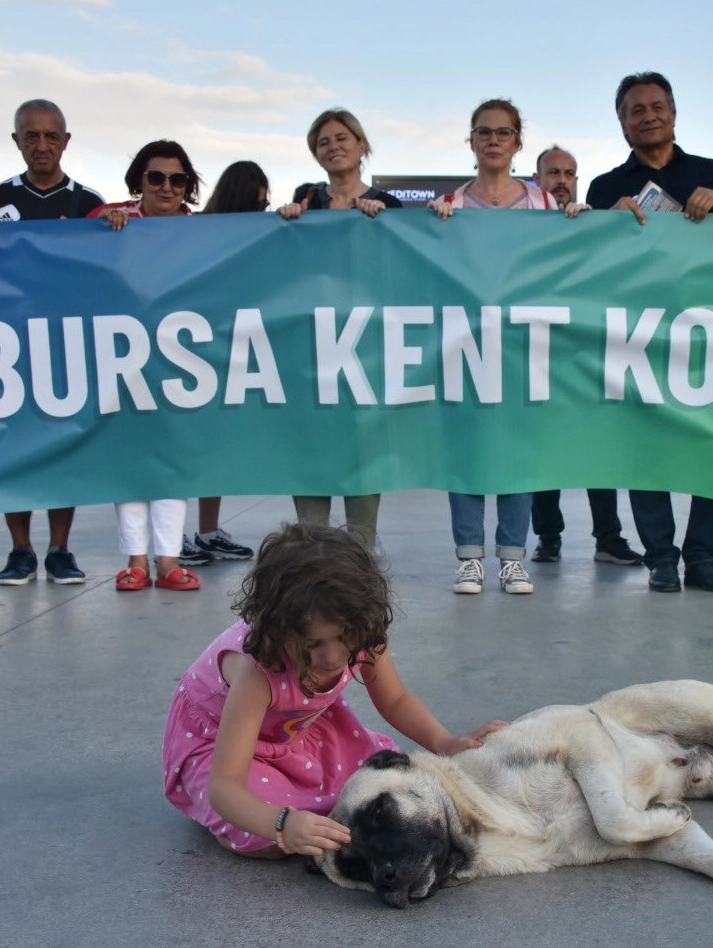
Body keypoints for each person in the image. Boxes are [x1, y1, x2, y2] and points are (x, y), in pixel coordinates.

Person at [162, 523, 506, 857]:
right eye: (313, 644)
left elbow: (396, 699)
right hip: (220, 742)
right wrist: (280, 824)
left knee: (379, 782)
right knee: (263, 833)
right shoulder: (256, 671)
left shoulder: (363, 632)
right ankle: (232, 826)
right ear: (277, 630)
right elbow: (226, 785)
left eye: (344, 638)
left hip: (293, 734)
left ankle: (291, 795)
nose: (332, 657)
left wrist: (445, 743)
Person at [585, 72, 713, 594]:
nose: (648, 115)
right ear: (623, 123)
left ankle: (704, 559)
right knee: (646, 447)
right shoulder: (606, 187)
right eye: (636, 109)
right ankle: (661, 559)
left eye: (657, 106)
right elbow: (594, 267)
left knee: (712, 444)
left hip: (707, 333)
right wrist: (606, 225)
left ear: (673, 113)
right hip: (641, 335)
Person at [428, 99, 589, 595]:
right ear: (471, 141)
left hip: (524, 345)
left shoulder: (543, 204)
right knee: (468, 449)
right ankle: (471, 557)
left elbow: (568, 264)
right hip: (466, 343)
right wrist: (432, 226)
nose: (494, 140)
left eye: (504, 132)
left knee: (519, 450)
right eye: (484, 132)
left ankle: (513, 559)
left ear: (518, 142)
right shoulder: (451, 205)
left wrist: (581, 223)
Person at [0, 100, 105, 585]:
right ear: (16, 140)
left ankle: (60, 549)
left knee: (62, 448)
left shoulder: (87, 202)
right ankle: (20, 550)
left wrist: (119, 228)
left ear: (66, 140)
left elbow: (106, 270)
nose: (41, 145)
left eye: (51, 136)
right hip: (11, 345)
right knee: (13, 447)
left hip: (65, 345)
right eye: (31, 136)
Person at [276, 110, 402, 552]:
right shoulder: (304, 204)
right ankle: (311, 574)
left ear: (362, 145)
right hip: (311, 357)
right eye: (324, 141)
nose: (334, 146)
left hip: (368, 355)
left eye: (343, 138)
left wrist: (383, 223)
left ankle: (358, 581)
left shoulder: (390, 206)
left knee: (363, 466)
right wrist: (289, 223)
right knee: (311, 466)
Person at [87, 140, 205, 592]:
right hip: (122, 353)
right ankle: (136, 559)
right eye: (156, 177)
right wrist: (104, 234)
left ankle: (169, 560)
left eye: (178, 179)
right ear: (140, 179)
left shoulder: (203, 230)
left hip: (181, 358)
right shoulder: (112, 218)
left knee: (173, 457)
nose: (167, 187)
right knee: (129, 456)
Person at [524, 144, 643, 568]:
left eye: (569, 173)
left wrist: (602, 226)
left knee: (598, 444)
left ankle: (608, 538)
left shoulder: (593, 223)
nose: (561, 180)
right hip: (538, 351)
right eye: (552, 172)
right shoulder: (519, 228)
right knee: (544, 449)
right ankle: (548, 537)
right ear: (536, 179)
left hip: (589, 351)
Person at [173, 160, 272, 569]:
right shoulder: (199, 235)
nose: (264, 210)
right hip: (195, 350)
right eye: (259, 202)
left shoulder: (254, 237)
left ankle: (208, 532)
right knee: (186, 446)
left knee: (212, 447)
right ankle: (173, 537)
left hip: (230, 348)